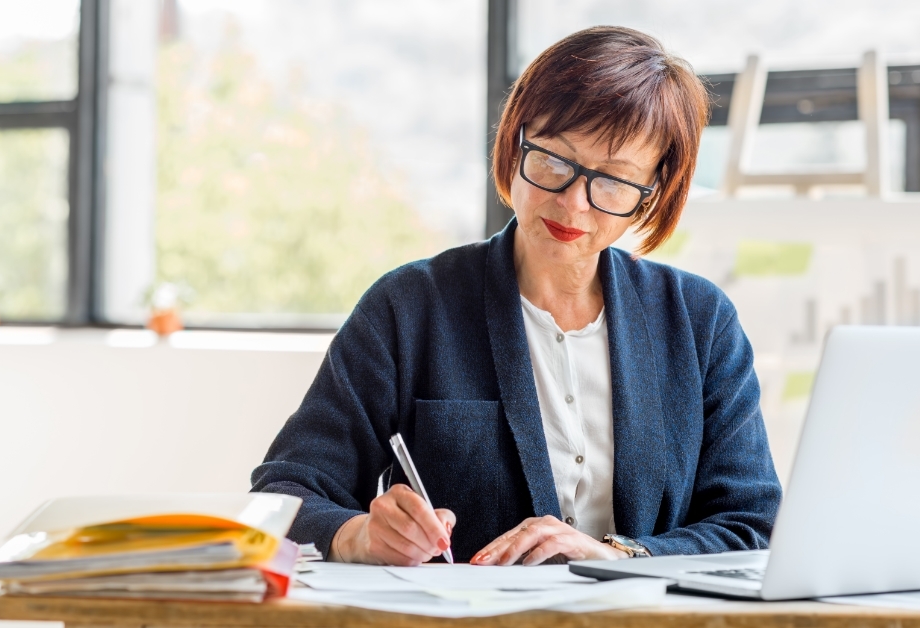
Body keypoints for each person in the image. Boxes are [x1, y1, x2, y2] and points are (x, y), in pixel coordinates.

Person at [251, 26, 782, 566]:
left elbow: (750, 522)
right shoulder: (409, 307)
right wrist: (358, 535)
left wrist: (618, 555)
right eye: (554, 161)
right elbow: (283, 493)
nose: (574, 204)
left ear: (654, 193)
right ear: (516, 141)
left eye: (614, 181)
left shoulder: (698, 321)